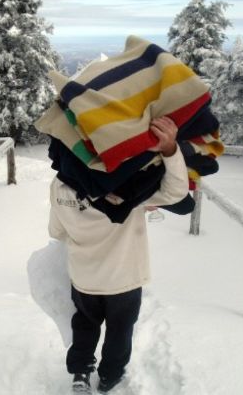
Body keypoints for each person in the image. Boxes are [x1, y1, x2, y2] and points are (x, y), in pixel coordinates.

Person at [48, 116, 189, 393]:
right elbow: (176, 192)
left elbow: (57, 231)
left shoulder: (59, 184)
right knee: (119, 332)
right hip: (124, 279)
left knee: (85, 326)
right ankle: (110, 377)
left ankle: (80, 373)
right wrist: (170, 149)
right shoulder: (130, 188)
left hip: (84, 277)